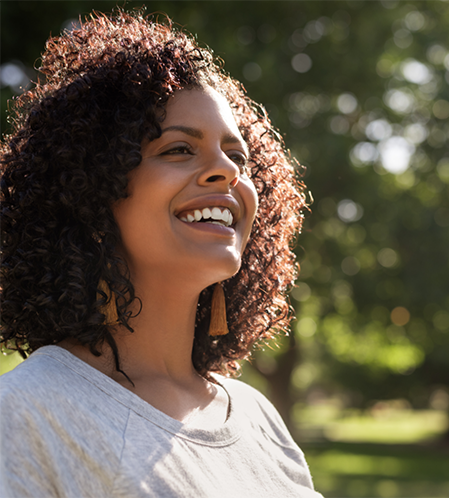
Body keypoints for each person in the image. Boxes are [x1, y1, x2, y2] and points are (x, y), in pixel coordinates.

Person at [0, 9, 320, 497]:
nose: (227, 172)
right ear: (90, 193)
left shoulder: (256, 417)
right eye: (178, 150)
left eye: (238, 156)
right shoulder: (28, 412)